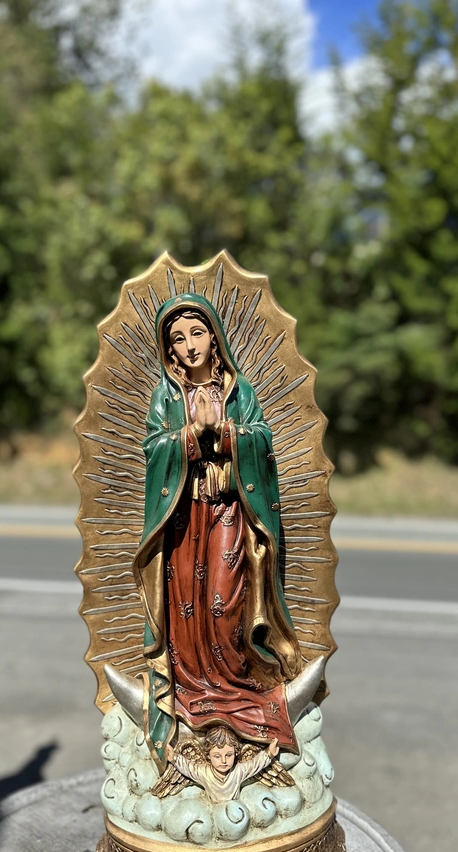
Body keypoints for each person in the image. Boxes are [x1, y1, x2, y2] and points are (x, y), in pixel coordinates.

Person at [132, 292, 304, 770]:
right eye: (178, 338)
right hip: (183, 518)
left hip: (228, 511)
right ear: (169, 349)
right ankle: (191, 691)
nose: (190, 346)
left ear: (214, 337)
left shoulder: (238, 391)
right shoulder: (167, 396)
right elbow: (153, 449)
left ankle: (234, 685)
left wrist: (225, 433)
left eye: (197, 333)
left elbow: (262, 440)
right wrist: (191, 435)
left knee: (224, 602)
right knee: (184, 604)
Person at [166, 727, 279, 804]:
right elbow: (188, 768)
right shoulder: (204, 773)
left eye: (229, 755)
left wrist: (269, 753)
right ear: (208, 755)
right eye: (217, 756)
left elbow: (255, 765)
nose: (224, 761)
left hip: (235, 812)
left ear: (236, 753)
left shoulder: (238, 771)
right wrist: (173, 758)